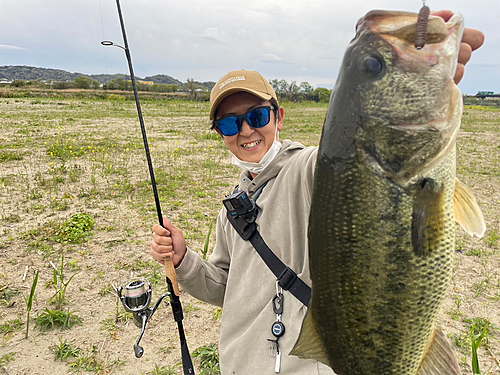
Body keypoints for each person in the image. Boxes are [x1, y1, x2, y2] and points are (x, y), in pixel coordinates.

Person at [150, 13, 485, 374]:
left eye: (258, 116)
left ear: (278, 118)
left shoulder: (313, 168)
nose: (246, 130)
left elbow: (350, 154)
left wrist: (420, 79)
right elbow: (222, 288)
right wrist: (184, 261)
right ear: (221, 134)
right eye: (230, 122)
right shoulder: (230, 212)